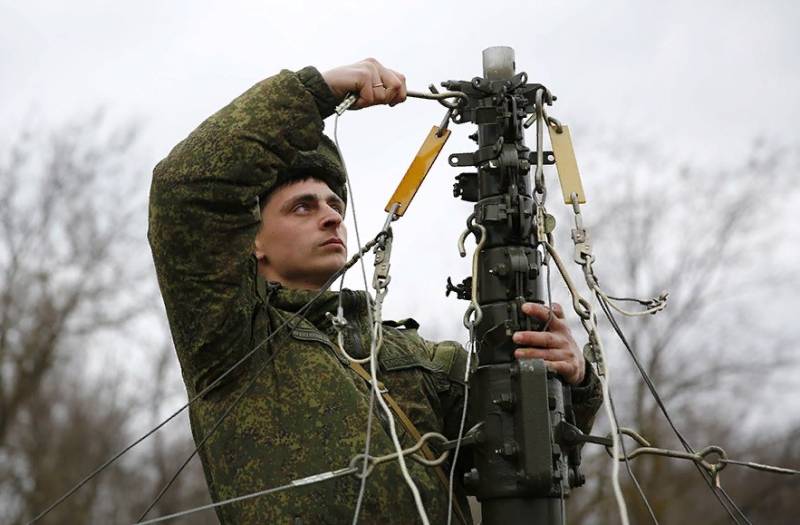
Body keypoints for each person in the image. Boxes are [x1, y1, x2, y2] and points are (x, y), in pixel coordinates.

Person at [148, 58, 602, 524]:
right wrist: (313, 93)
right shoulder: (231, 340)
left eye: (334, 204)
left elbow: (530, 462)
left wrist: (570, 377)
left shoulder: (424, 361)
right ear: (253, 242)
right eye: (301, 207)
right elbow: (186, 188)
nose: (331, 217)